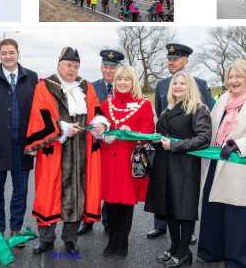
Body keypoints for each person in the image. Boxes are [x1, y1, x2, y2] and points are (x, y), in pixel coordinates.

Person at [25, 47, 108, 256]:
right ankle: (46, 240)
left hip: (81, 150)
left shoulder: (86, 87)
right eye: (68, 65)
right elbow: (39, 115)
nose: (72, 70)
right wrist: (62, 129)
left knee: (78, 194)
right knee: (48, 195)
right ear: (59, 64)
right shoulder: (44, 87)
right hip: (55, 150)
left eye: (76, 66)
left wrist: (100, 124)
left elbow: (97, 111)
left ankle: (70, 239)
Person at [197, 60, 246, 268]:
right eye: (231, 76)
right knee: (212, 209)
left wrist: (238, 144)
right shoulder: (223, 99)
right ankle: (210, 252)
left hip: (241, 166)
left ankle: (237, 261)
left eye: (238, 76)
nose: (233, 81)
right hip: (215, 163)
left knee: (237, 217)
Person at [149, 43, 215, 241]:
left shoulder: (200, 84)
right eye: (169, 59)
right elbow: (163, 117)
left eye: (175, 59)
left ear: (186, 61)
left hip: (186, 154)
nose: (171, 62)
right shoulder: (161, 85)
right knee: (165, 191)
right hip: (166, 153)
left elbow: (207, 115)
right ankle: (161, 226)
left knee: (184, 196)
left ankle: (187, 234)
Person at [145, 71, 211, 267]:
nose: (178, 86)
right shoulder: (168, 109)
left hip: (185, 166)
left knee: (184, 210)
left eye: (183, 83)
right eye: (175, 83)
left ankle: (184, 253)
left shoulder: (198, 108)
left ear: (190, 86)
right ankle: (174, 248)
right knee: (170, 209)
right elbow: (162, 133)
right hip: (164, 164)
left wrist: (174, 146)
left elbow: (204, 138)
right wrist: (156, 140)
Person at [0, 39, 38, 248]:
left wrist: (34, 141)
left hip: (23, 146)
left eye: (11, 52)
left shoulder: (31, 77)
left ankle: (15, 231)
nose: (8, 56)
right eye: (4, 53)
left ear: (18, 53)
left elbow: (36, 113)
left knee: (20, 192)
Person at [101, 65, 155, 257]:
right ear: (114, 82)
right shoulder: (106, 104)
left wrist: (131, 134)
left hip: (129, 161)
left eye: (127, 79)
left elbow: (149, 133)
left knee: (125, 203)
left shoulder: (144, 104)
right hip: (108, 160)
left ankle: (122, 241)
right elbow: (97, 128)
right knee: (110, 202)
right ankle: (112, 240)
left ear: (133, 83)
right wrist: (101, 136)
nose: (123, 83)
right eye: (119, 79)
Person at [79, 49, 122, 236]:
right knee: (91, 182)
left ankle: (108, 220)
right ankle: (87, 220)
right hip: (94, 143)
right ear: (101, 67)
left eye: (113, 67)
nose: (109, 70)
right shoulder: (90, 87)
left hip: (116, 144)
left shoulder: (124, 86)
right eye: (106, 66)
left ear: (118, 68)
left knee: (111, 183)